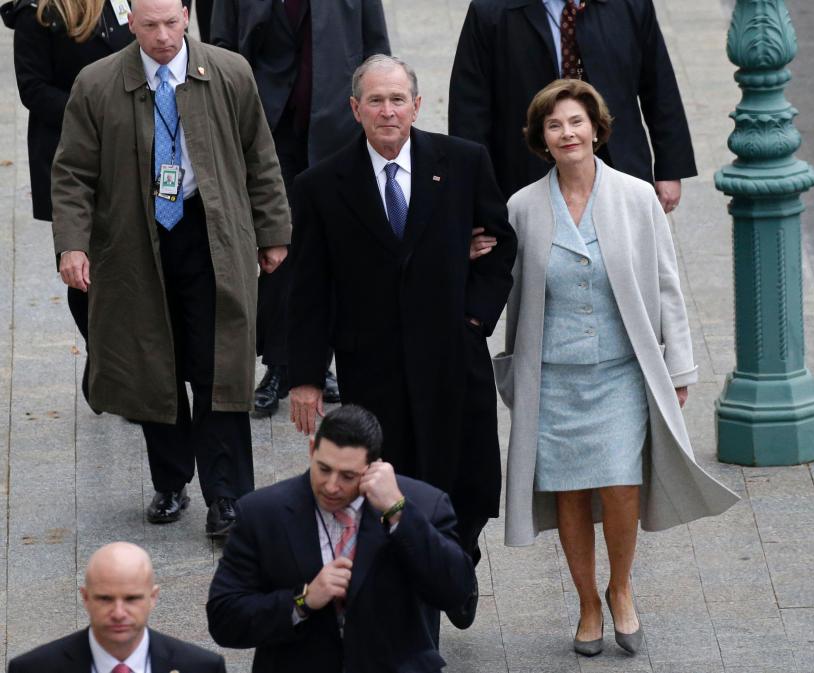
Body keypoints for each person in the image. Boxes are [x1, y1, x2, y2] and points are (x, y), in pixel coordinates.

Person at [495, 80, 738, 656]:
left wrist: (677, 368)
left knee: (622, 486)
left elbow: (666, 284)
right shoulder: (522, 208)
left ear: (597, 128)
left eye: (576, 122)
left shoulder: (635, 197)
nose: (567, 133)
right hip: (553, 376)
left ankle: (621, 587)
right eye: (554, 126)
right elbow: (506, 291)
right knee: (568, 493)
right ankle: (586, 604)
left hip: (622, 372)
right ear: (542, 139)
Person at [286, 54, 516, 626]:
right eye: (375, 101)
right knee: (394, 484)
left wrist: (473, 320)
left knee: (470, 480)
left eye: (397, 100)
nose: (387, 111)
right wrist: (307, 377)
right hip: (376, 369)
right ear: (355, 109)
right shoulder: (321, 185)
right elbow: (310, 289)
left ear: (417, 105)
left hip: (452, 359)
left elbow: (499, 248)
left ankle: (457, 562)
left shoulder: (461, 163)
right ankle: (419, 597)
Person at [51, 0, 291, 537]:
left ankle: (228, 496)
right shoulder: (97, 83)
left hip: (213, 239)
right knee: (151, 363)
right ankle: (171, 480)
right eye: (149, 24)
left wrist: (272, 231)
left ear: (188, 15)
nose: (162, 36)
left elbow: (261, 156)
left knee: (218, 367)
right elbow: (72, 173)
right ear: (130, 22)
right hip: (136, 243)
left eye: (171, 23)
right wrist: (72, 245)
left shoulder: (229, 72)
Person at [211, 0, 390, 416]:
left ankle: (322, 362)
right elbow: (222, 44)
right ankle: (278, 364)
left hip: (335, 129)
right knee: (277, 248)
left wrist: (378, 121)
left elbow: (377, 49)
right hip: (267, 128)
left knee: (335, 247)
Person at [207, 405, 475, 672]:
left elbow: (455, 591)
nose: (332, 486)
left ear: (373, 468)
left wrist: (398, 513)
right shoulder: (262, 513)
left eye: (348, 476)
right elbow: (224, 618)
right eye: (323, 469)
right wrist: (302, 600)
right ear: (312, 449)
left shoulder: (426, 505)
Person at [3, 0, 133, 407]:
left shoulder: (125, 4)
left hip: (131, 152)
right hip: (70, 158)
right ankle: (107, 362)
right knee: (84, 269)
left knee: (131, 263)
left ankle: (121, 363)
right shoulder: (38, 15)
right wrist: (95, 114)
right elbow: (33, 89)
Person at [448, 0, 696, 214]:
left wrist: (669, 169)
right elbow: (469, 110)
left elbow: (660, 87)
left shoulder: (631, 5)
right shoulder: (490, 12)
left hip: (620, 164)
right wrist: (475, 192)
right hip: (524, 170)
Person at [8, 542, 226, 672]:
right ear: (85, 598)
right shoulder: (33, 669)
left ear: (153, 597)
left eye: (131, 599)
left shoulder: (200, 667)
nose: (119, 613)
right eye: (105, 599)